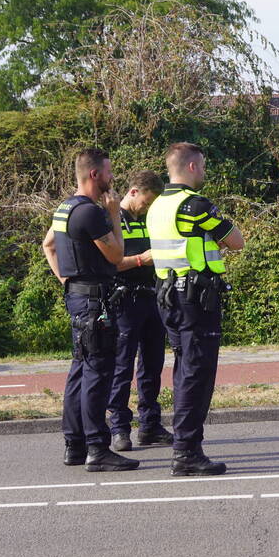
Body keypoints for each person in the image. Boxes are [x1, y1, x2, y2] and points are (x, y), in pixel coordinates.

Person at [147, 143, 244, 475]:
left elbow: (181, 242)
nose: (203, 172)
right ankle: (186, 451)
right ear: (190, 167)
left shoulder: (157, 205)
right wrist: (211, 238)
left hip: (168, 297)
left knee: (183, 370)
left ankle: (184, 446)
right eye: (201, 166)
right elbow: (236, 241)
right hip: (195, 299)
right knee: (197, 375)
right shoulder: (195, 205)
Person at [41, 148, 139, 471]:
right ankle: (98, 448)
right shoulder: (92, 213)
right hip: (95, 302)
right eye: (109, 173)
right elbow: (116, 255)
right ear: (95, 175)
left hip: (77, 299)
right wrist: (113, 214)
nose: (112, 179)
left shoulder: (64, 208)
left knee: (79, 369)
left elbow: (49, 246)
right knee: (98, 372)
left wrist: (66, 282)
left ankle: (74, 445)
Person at [106, 169, 174, 452]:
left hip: (153, 297)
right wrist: (138, 260)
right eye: (146, 202)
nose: (147, 208)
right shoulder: (111, 219)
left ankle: (150, 425)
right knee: (122, 367)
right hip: (123, 298)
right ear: (133, 192)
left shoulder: (149, 219)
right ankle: (119, 428)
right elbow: (106, 263)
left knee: (152, 365)